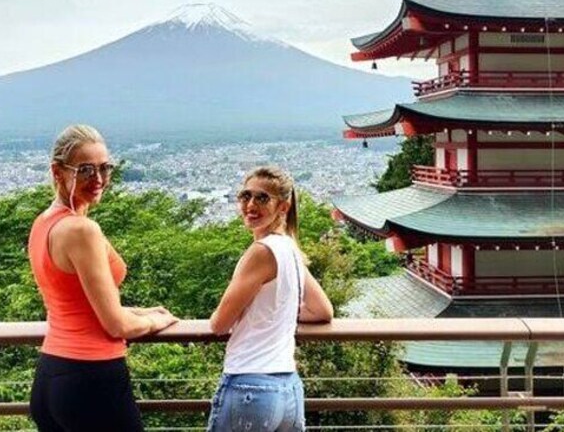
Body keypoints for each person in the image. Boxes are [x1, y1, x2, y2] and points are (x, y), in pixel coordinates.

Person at [28, 124, 178, 432]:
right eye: (85, 170)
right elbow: (116, 325)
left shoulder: (43, 223)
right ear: (58, 172)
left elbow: (77, 304)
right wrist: (157, 320)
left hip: (50, 378)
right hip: (92, 381)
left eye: (104, 168)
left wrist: (139, 312)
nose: (98, 179)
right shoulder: (81, 230)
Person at [207, 166, 334, 432]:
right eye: (245, 196)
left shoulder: (260, 252)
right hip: (288, 388)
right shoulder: (289, 248)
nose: (251, 205)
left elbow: (219, 324)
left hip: (249, 383)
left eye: (262, 198)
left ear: (283, 207)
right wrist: (275, 311)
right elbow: (322, 310)